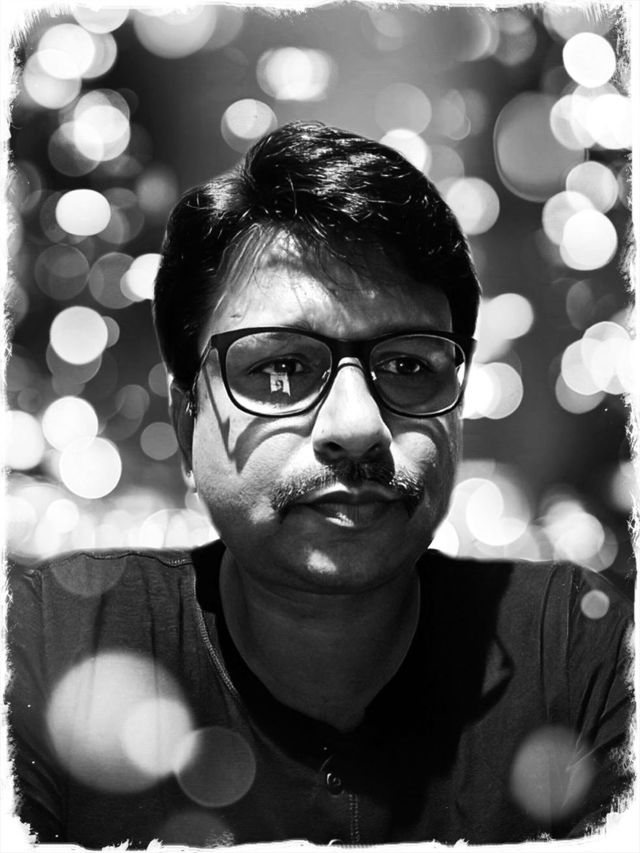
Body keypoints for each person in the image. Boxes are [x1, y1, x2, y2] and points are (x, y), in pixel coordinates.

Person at [8, 122, 633, 848]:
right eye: (281, 368)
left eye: (408, 366)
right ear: (186, 423)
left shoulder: (576, 652)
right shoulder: (45, 645)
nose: (358, 425)